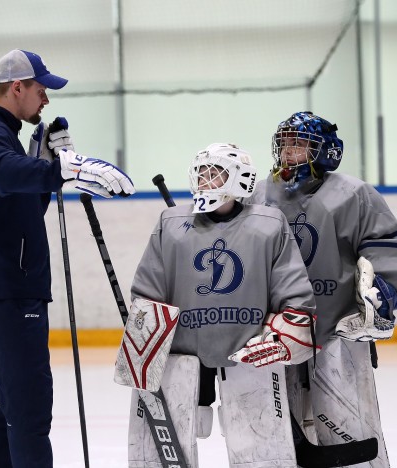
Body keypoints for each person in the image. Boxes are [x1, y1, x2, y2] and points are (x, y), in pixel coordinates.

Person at [0, 49, 135, 467]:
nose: (46, 100)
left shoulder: (4, 136)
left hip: (7, 289)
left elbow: (18, 208)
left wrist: (44, 163)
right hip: (8, 293)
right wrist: (64, 171)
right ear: (16, 88)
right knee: (30, 410)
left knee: (8, 410)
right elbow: (1, 171)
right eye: (40, 90)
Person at [125, 143, 317, 467]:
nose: (205, 180)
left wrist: (288, 330)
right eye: (201, 173)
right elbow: (148, 290)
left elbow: (292, 288)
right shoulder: (171, 224)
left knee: (259, 451)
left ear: (238, 180)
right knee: (160, 454)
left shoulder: (269, 224)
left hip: (248, 354)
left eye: (215, 174)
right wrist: (145, 332)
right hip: (181, 355)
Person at [245, 111, 397, 466]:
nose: (289, 151)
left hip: (337, 330)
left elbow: (385, 247)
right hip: (277, 332)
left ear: (325, 151)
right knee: (282, 429)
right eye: (285, 143)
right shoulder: (258, 194)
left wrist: (380, 295)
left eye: (300, 143)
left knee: (348, 424)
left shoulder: (354, 193)